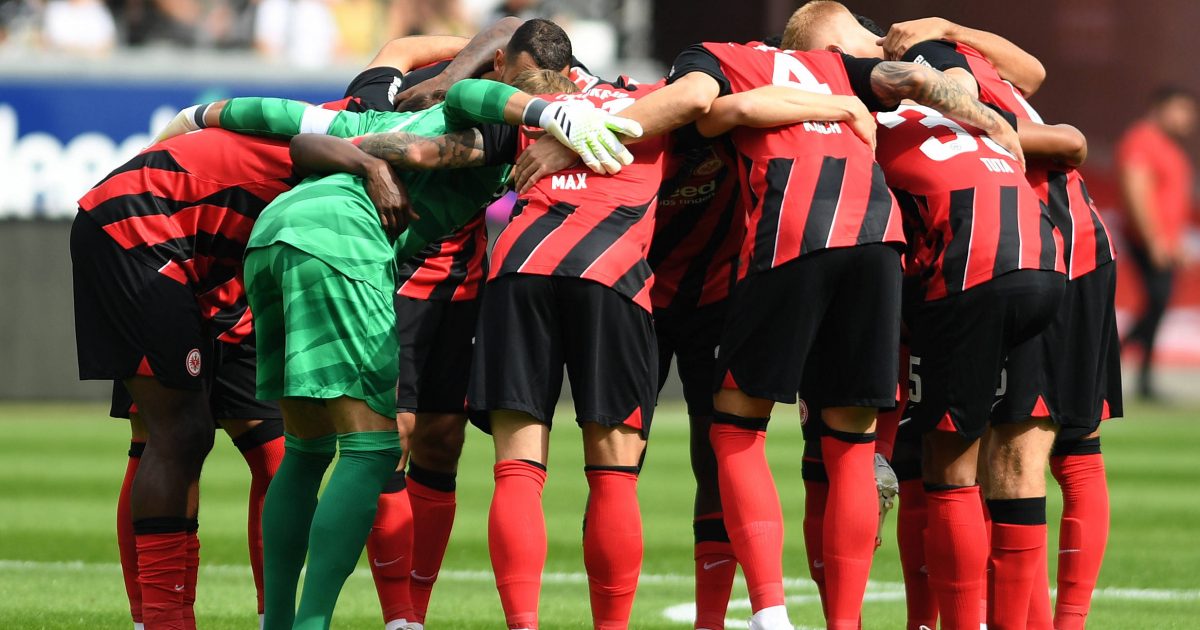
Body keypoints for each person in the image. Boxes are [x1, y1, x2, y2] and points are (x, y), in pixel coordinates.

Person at [179, 80, 636, 629]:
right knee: (370, 451)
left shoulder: (371, 126)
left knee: (305, 449)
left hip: (275, 233)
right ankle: (310, 624)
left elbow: (285, 126)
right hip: (343, 244)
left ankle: (277, 622)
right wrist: (550, 113)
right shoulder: (486, 131)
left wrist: (194, 115)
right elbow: (474, 91)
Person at [72, 32, 478, 630]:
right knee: (175, 434)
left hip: (232, 261)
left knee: (282, 446)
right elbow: (276, 132)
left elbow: (201, 114)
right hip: (143, 229)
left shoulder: (393, 131)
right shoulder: (354, 127)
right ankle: (159, 620)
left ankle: (276, 618)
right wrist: (143, 172)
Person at [632, 12, 1021, 630]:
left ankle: (769, 612)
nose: (874, 41)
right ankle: (844, 624)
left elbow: (704, 109)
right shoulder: (842, 70)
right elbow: (930, 83)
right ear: (832, 43)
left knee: (735, 429)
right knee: (853, 448)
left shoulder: (711, 54)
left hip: (793, 226)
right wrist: (1000, 128)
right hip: (879, 239)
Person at [1117, 86, 1197, 400]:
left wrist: (1175, 242)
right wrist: (1154, 241)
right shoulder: (1142, 141)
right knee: (1155, 302)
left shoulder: (1171, 148)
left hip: (1165, 241)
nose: (1187, 120)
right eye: (1180, 110)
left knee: (1158, 305)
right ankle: (1115, 359)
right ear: (1160, 108)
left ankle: (1144, 377)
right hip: (1147, 240)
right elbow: (1136, 191)